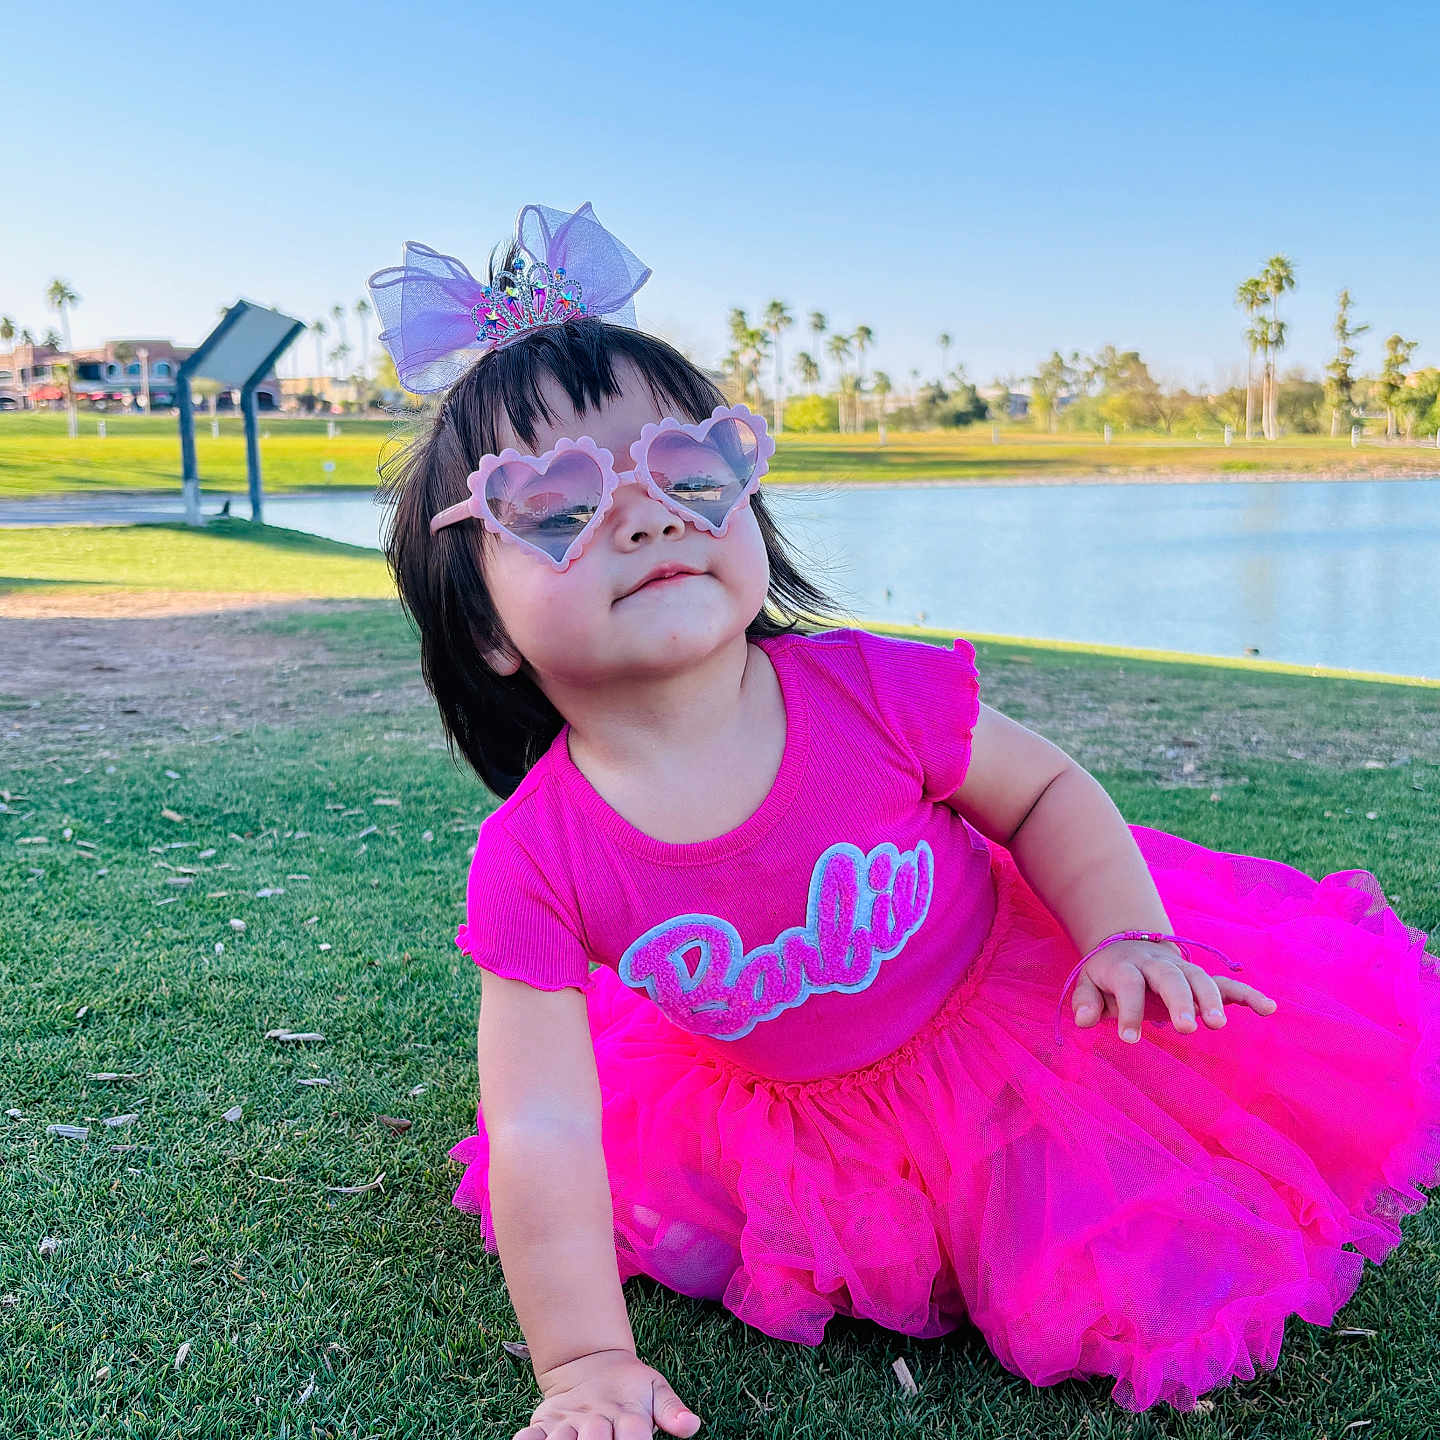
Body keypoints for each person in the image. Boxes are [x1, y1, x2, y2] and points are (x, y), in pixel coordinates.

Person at [368, 203, 1439, 1435]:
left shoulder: (869, 690)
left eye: (689, 472)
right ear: (487, 626)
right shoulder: (533, 862)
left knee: (1132, 1268)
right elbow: (544, 1123)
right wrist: (582, 1363)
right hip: (780, 1113)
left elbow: (1042, 791)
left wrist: (1127, 934)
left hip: (1026, 1024)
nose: (649, 515)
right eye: (554, 504)